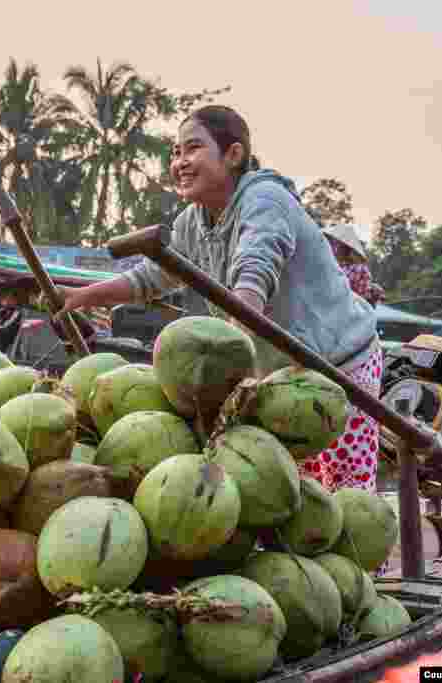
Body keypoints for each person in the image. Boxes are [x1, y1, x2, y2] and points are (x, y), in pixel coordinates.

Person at [57, 105, 382, 493]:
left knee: (346, 495)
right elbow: (153, 275)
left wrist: (229, 350)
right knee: (291, 491)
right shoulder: (193, 221)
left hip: (340, 365)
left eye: (192, 148)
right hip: (282, 378)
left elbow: (255, 270)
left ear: (233, 154)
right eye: (175, 152)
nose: (179, 162)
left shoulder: (265, 198)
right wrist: (82, 296)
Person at [322, 223, 385, 306]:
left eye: (336, 244)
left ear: (344, 248)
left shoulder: (358, 269)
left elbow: (359, 295)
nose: (333, 247)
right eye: (333, 243)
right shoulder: (332, 266)